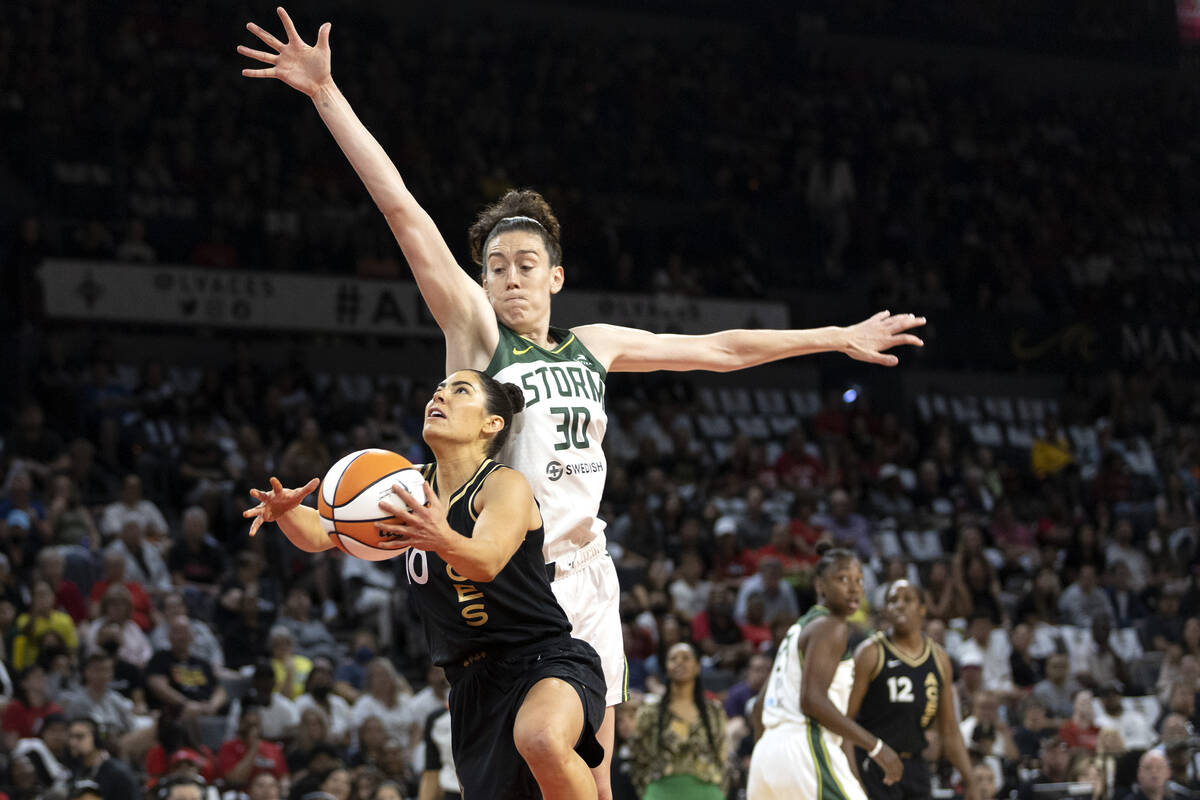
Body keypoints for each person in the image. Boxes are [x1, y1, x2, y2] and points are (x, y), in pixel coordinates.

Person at [238, 12, 926, 800]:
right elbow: (405, 215)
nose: (509, 277)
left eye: (526, 264)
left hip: (586, 576)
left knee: (588, 778)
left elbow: (722, 349)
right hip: (502, 574)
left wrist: (836, 335)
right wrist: (327, 95)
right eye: (495, 265)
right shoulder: (474, 337)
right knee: (523, 764)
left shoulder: (594, 343)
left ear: (556, 276)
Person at [243, 369, 607, 799]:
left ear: (492, 423)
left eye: (460, 390)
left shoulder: (503, 484)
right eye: (438, 389)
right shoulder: (405, 485)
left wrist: (442, 536)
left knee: (541, 737)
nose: (440, 396)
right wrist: (285, 511)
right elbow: (324, 532)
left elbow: (487, 561)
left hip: (542, 658)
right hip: (473, 684)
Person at [746, 546, 902, 799]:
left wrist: (771, 760)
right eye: (842, 579)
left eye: (859, 580)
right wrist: (876, 747)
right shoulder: (832, 626)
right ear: (819, 585)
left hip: (766, 755)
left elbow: (759, 707)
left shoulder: (798, 629)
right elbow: (812, 701)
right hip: (805, 744)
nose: (854, 588)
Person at [846, 580, 977, 800]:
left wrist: (969, 779)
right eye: (892, 600)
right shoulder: (870, 653)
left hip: (916, 766)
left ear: (922, 609)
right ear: (885, 611)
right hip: (874, 765)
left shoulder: (939, 658)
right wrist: (853, 778)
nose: (899, 605)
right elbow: (845, 724)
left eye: (907, 599)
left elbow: (949, 730)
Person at [630, 642, 728, 799]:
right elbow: (637, 755)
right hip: (660, 791)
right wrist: (647, 790)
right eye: (673, 659)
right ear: (666, 668)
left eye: (686, 658)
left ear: (697, 667)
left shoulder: (714, 711)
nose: (679, 662)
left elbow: (722, 756)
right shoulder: (650, 710)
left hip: (706, 792)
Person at [66, 717, 140, 800]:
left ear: (96, 738)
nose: (72, 742)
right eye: (71, 737)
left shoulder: (117, 773)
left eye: (79, 737)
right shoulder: (74, 768)